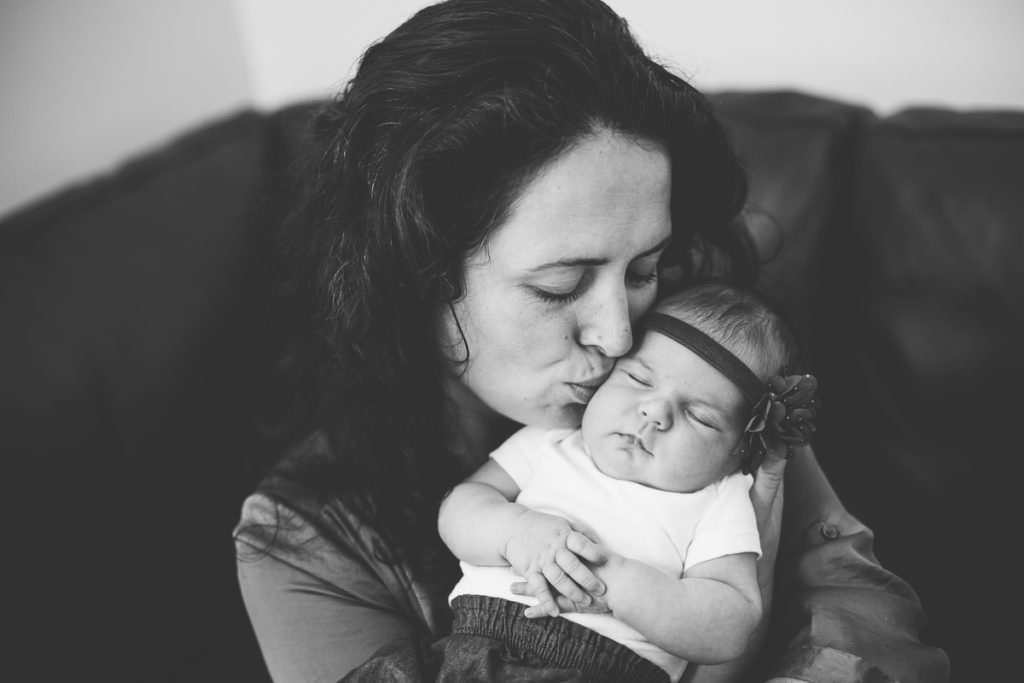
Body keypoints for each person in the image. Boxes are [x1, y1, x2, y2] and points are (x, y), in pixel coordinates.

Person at [233, 1, 950, 681]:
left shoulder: (693, 372)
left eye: (644, 269)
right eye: (559, 286)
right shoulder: (304, 542)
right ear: (413, 279)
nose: (618, 335)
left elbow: (862, 608)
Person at [343, 282, 819, 682]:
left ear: (739, 452)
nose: (654, 411)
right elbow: (460, 507)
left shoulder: (718, 500)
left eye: (699, 415)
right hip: (467, 652)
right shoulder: (553, 441)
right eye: (637, 378)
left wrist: (615, 582)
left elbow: (730, 623)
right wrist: (516, 533)